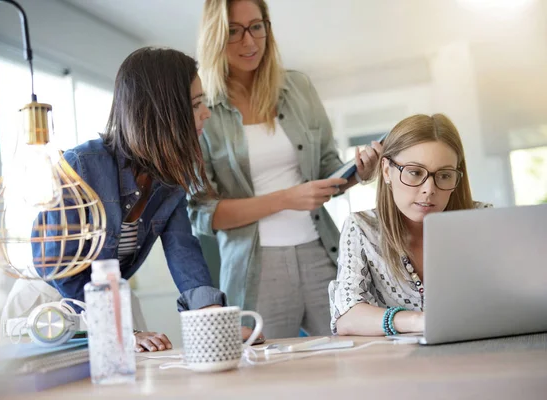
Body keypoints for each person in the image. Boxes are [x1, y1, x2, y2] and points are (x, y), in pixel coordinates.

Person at [1, 47, 227, 352]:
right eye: (196, 104)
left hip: (108, 299)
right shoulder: (81, 165)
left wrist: (212, 319)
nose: (206, 113)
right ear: (164, 110)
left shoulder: (169, 182)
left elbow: (183, 250)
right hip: (48, 304)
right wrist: (119, 327)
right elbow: (56, 266)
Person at [188, 0, 381, 339]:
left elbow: (327, 170)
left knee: (356, 354)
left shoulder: (298, 88)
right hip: (255, 268)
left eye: (256, 27)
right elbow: (205, 215)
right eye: (233, 31)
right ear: (214, 36)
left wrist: (359, 172)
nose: (249, 42)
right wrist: (286, 198)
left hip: (320, 250)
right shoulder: (202, 109)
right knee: (266, 375)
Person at [329, 114, 492, 336]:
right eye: (415, 172)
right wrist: (417, 322)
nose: (429, 189)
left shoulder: (482, 220)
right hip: (397, 364)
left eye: (444, 175)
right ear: (386, 171)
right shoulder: (362, 228)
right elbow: (346, 317)